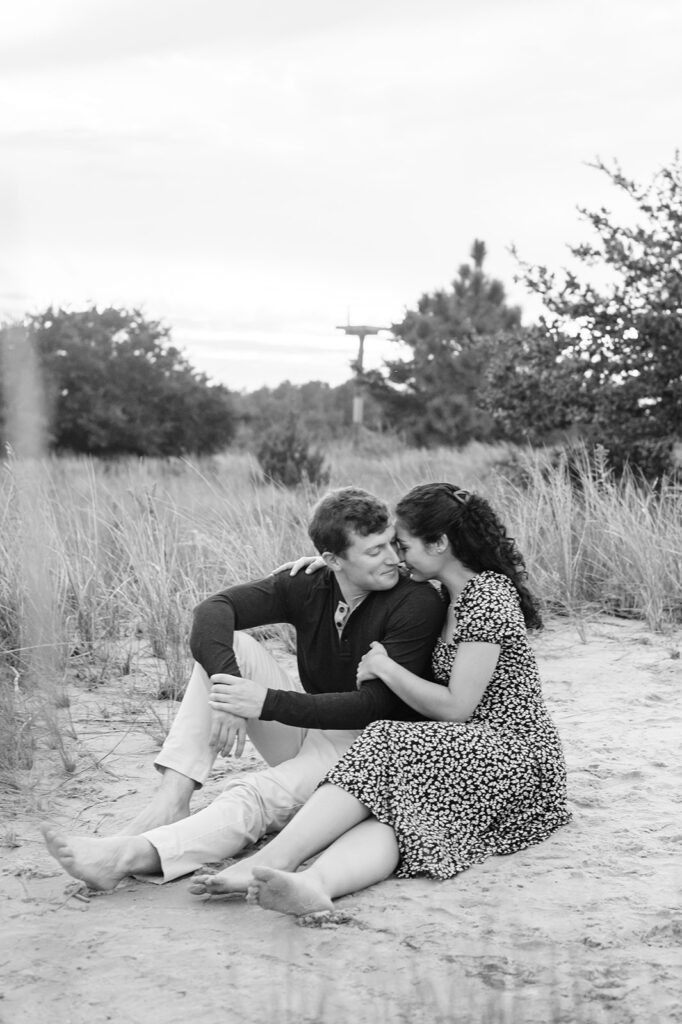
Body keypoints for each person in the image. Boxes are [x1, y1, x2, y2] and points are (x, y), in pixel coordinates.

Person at [190, 482, 571, 916]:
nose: (397, 557)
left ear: (440, 543)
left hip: (513, 751)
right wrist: (331, 565)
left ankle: (273, 859)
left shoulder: (487, 595)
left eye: (402, 545)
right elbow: (362, 570)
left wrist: (387, 668)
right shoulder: (444, 589)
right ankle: (315, 883)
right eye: (388, 546)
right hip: (463, 751)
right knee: (396, 817)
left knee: (386, 739)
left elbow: (457, 709)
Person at [41, 487, 445, 890]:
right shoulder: (311, 583)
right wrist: (231, 699)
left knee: (254, 792)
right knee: (232, 649)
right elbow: (213, 610)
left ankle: (133, 856)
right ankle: (172, 801)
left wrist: (263, 702)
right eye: (374, 551)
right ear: (333, 560)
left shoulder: (415, 601)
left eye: (391, 543)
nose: (393, 558)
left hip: (369, 749)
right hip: (311, 727)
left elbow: (378, 705)